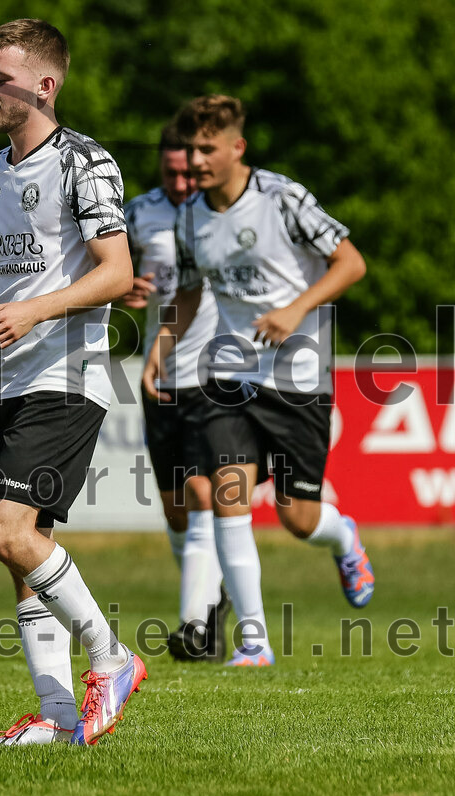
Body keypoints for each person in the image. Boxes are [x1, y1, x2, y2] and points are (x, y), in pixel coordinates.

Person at [0, 19, 144, 746]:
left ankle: (112, 657)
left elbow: (116, 272)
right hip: (9, 380)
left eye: (0, 78)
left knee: (6, 528)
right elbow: (3, 279)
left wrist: (33, 311)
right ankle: (57, 716)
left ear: (45, 86)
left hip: (66, 373)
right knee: (18, 548)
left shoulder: (85, 161)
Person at [142, 94, 374, 667]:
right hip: (230, 375)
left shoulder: (282, 198)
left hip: (299, 378)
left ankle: (344, 538)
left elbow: (351, 263)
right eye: (190, 149)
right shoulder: (190, 215)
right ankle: (255, 642)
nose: (195, 160)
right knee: (227, 496)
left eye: (207, 149)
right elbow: (191, 290)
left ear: (237, 148)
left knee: (298, 517)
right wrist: (162, 347)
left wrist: (295, 310)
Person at [123, 124, 228, 661]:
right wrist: (124, 288)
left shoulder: (226, 213)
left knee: (204, 493)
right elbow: (105, 270)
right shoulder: (138, 213)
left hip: (220, 372)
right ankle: (214, 593)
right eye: (172, 173)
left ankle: (195, 624)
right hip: (161, 372)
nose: (183, 182)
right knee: (176, 511)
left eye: (189, 172)